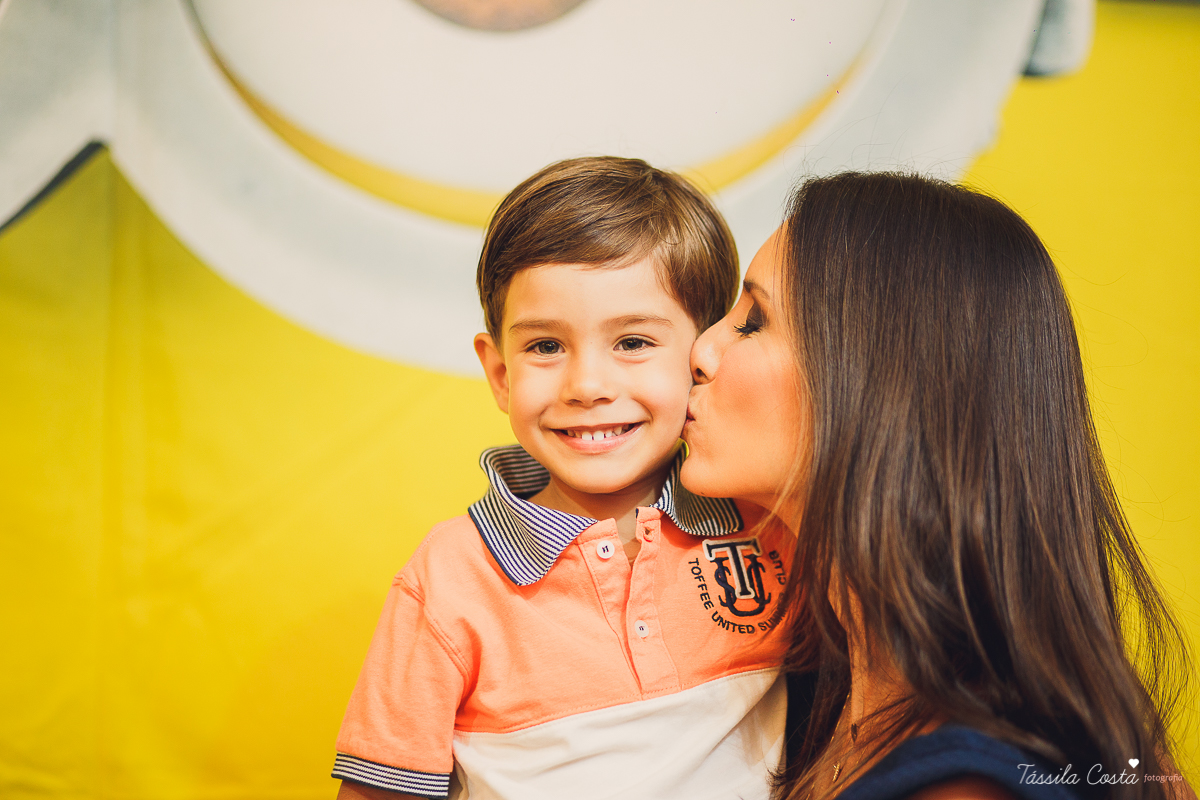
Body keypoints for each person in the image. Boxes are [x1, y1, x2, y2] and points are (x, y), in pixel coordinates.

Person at [681, 172, 1193, 800]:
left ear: (882, 384)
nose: (700, 351)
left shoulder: (975, 782)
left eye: (754, 321)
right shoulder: (797, 686)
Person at [332, 156, 796, 800]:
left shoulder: (771, 527)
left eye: (633, 342)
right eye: (545, 347)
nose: (587, 386)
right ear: (500, 374)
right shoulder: (449, 577)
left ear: (702, 355)